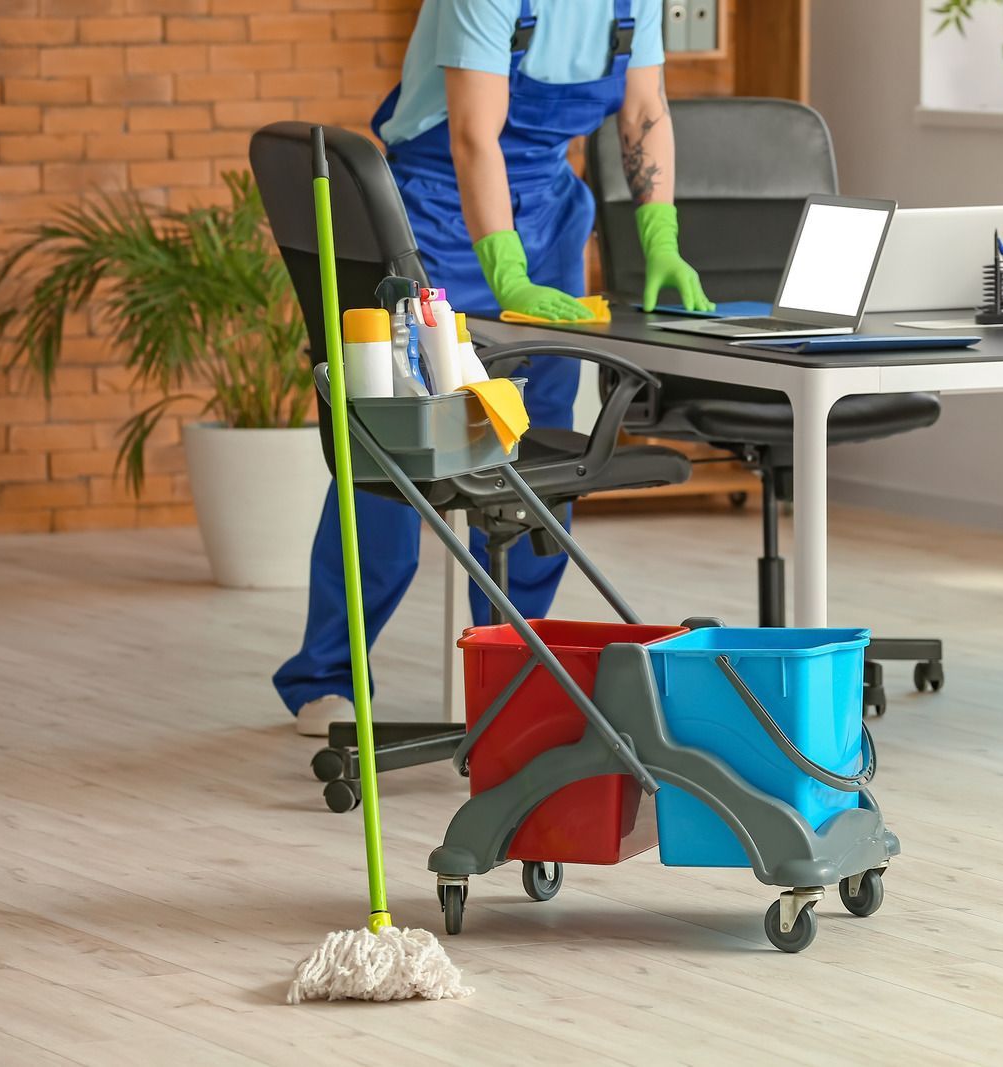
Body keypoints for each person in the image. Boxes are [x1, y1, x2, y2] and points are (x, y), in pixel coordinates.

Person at [275, 0, 714, 735]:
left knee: (537, 439)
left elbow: (644, 112)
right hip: (435, 211)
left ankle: (510, 662)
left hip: (547, 210)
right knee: (398, 444)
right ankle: (327, 673)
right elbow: (473, 134)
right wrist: (504, 272)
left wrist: (660, 236)